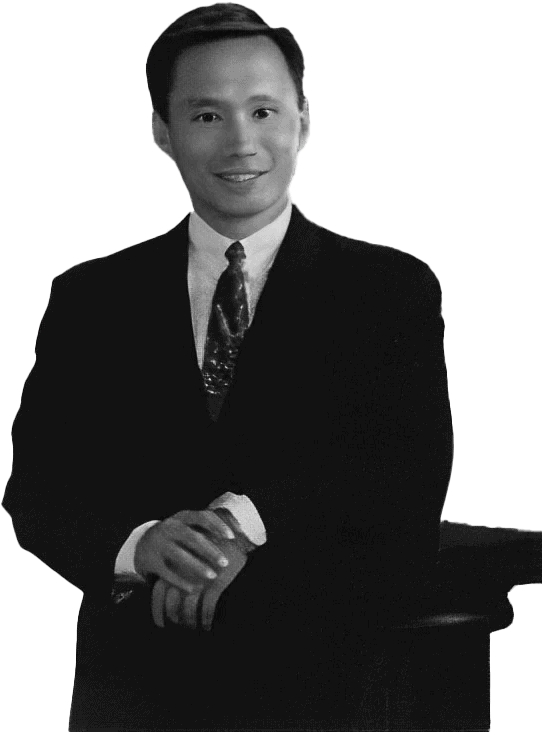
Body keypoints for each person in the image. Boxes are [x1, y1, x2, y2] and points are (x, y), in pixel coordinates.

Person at [2, 3, 454, 729]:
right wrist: (142, 544)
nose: (242, 142)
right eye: (207, 115)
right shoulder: (91, 297)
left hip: (325, 686)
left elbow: (403, 477)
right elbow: (42, 488)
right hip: (135, 691)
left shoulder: (388, 291)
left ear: (303, 118)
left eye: (264, 109)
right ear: (162, 129)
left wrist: (241, 524)